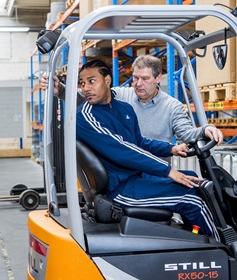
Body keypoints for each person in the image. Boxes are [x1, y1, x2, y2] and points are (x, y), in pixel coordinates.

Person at [76, 60, 218, 239]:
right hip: (119, 189)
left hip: (135, 177)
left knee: (193, 180)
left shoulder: (124, 108)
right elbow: (123, 150)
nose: (85, 88)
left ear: (107, 80)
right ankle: (220, 248)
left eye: (91, 81)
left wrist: (171, 149)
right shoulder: (86, 116)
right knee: (191, 198)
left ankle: (195, 235)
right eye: (82, 83)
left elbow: (139, 143)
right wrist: (167, 171)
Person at [41, 55, 224, 155]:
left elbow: (187, 133)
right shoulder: (122, 95)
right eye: (135, 78)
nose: (138, 84)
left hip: (155, 169)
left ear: (158, 78)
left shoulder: (171, 106)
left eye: (145, 79)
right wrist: (61, 90)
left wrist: (205, 129)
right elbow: (91, 97)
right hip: (127, 167)